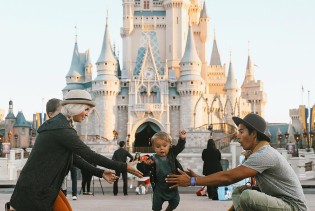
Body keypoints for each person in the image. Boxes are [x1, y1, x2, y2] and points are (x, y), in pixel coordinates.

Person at [8, 90, 142, 211]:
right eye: (86, 109)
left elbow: (74, 158)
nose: (87, 114)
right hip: (36, 189)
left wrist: (100, 173)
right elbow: (89, 155)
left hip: (44, 187)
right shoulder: (61, 129)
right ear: (76, 107)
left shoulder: (61, 125)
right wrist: (123, 166)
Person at [166, 113, 308, 211]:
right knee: (240, 192)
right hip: (281, 203)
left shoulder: (264, 154)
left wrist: (192, 181)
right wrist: (198, 177)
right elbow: (230, 177)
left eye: (241, 132)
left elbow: (229, 177)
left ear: (253, 134)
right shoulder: (258, 153)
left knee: (247, 196)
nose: (237, 136)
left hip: (293, 207)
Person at [147, 130, 187, 211]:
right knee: (156, 206)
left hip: (172, 186)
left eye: (165, 146)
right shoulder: (153, 158)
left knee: (175, 201)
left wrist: (182, 139)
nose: (161, 148)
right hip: (159, 188)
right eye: (158, 147)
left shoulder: (172, 154)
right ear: (153, 148)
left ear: (170, 146)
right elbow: (146, 168)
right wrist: (147, 164)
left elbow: (179, 147)